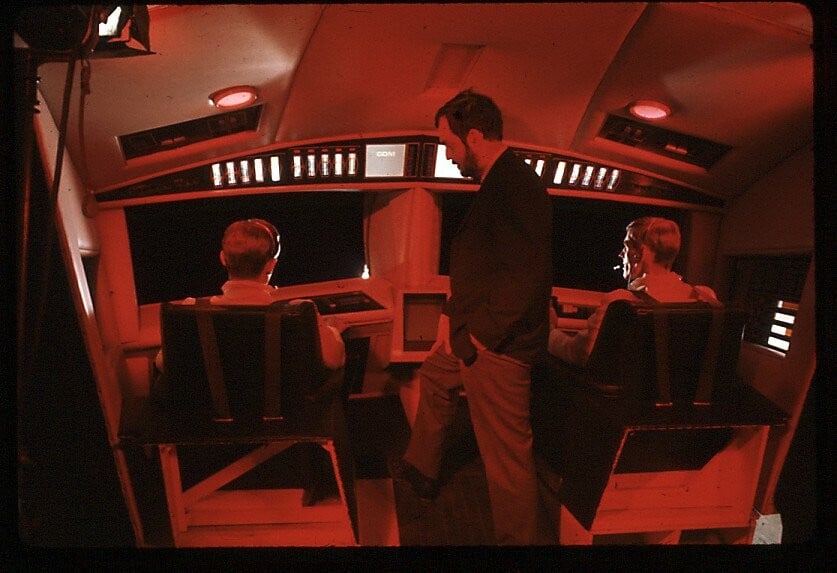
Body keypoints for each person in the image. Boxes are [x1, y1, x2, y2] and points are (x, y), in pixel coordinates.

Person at [392, 90, 555, 545]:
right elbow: (485, 267)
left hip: (499, 347)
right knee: (435, 375)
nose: (448, 155)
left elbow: (525, 276)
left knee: (507, 457)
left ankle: (519, 543)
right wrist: (450, 320)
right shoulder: (499, 182)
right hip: (470, 332)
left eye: (449, 144)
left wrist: (481, 338)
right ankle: (422, 470)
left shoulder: (517, 185)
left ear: (475, 137)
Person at [156, 218, 345, 371]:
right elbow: (334, 361)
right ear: (271, 264)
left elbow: (162, 364)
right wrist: (332, 331)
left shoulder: (190, 311)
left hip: (211, 408)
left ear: (223, 258)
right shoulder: (300, 312)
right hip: (280, 408)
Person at [548, 216, 720, 366]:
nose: (621, 254)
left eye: (626, 247)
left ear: (639, 254)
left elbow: (581, 355)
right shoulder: (705, 297)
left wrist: (551, 332)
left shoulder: (620, 302)